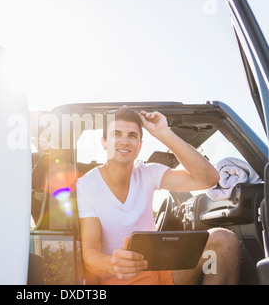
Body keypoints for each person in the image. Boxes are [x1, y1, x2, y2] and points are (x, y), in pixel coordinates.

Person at [76, 106, 241, 285]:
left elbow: (208, 178)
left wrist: (163, 133)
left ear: (139, 145)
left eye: (132, 135)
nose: (124, 141)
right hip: (123, 277)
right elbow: (91, 255)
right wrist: (113, 264)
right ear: (104, 142)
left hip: (161, 268)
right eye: (117, 134)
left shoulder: (148, 172)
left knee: (224, 241)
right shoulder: (87, 186)